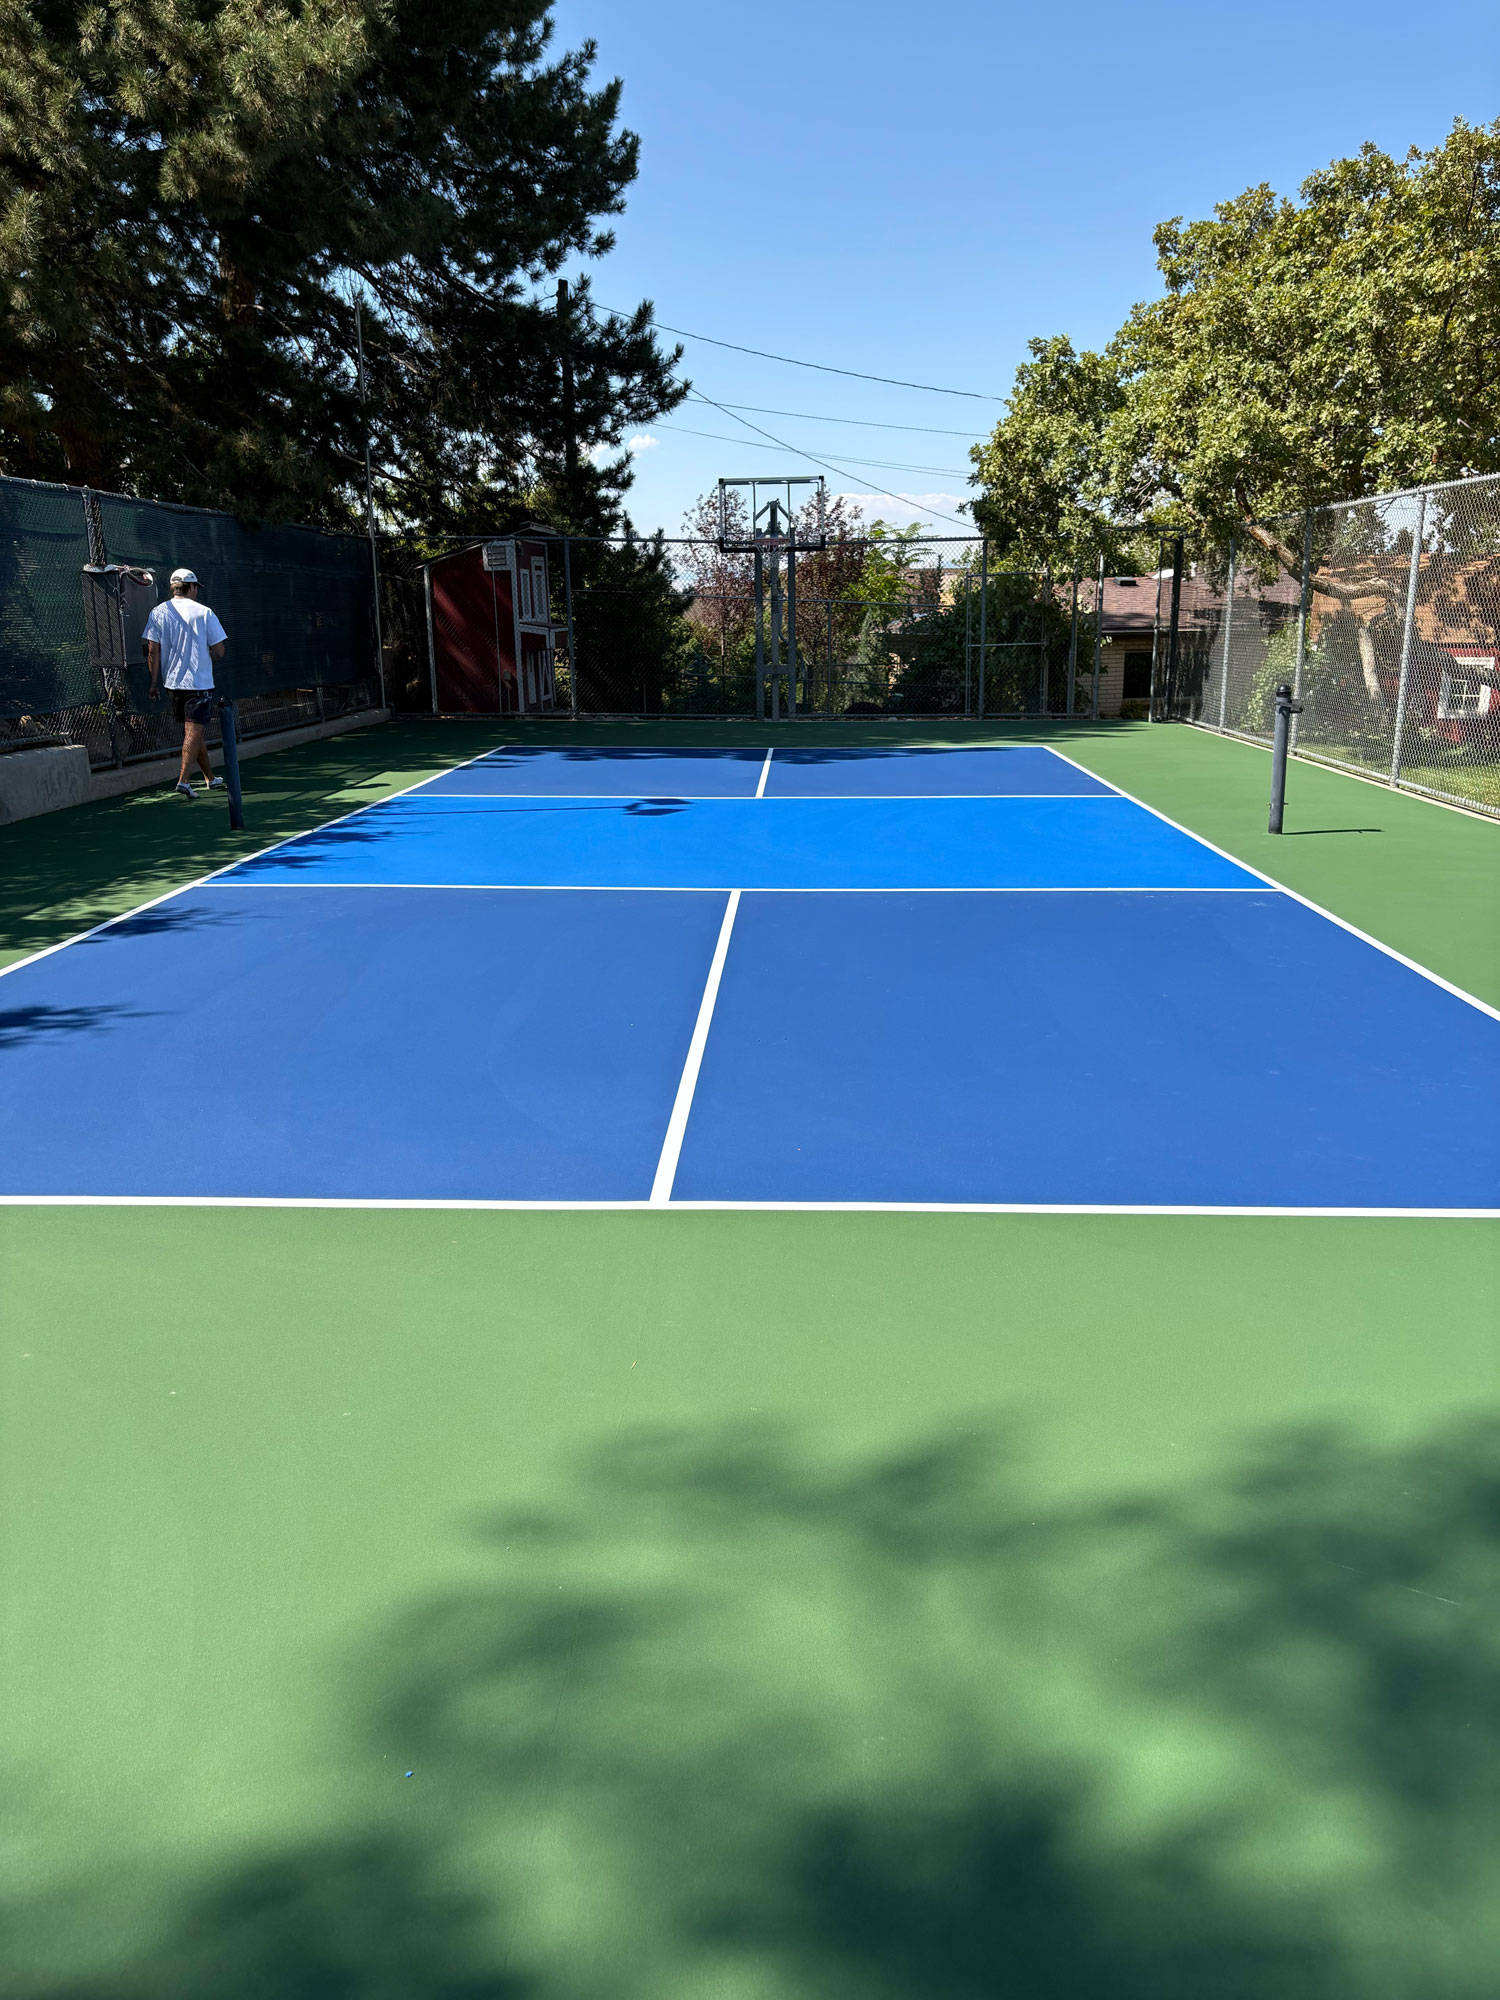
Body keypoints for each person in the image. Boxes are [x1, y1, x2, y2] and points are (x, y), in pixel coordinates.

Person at [145, 569, 228, 800]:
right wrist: (207, 654)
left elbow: (152, 650)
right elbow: (220, 651)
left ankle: (210, 779)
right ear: (191, 588)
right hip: (199, 685)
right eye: (196, 588)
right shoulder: (205, 612)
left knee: (194, 732)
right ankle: (183, 781)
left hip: (172, 685)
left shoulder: (158, 612)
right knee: (192, 733)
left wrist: (154, 683)